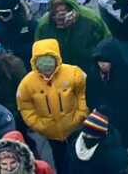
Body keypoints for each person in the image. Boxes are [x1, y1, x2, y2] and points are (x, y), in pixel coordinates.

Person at [17, 38, 89, 172]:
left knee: (80, 157)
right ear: (35, 62)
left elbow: (83, 93)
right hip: (51, 134)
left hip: (75, 127)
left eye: (49, 60)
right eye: (41, 61)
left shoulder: (74, 73)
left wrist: (81, 114)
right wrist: (38, 125)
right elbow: (25, 106)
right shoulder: (27, 83)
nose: (46, 66)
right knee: (60, 160)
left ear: (56, 58)